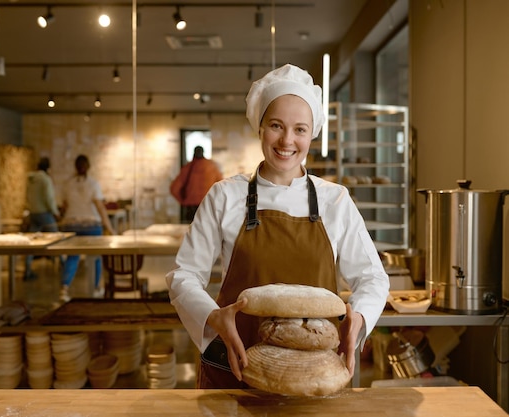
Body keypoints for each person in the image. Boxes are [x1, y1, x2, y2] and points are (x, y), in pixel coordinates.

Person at [165, 64, 390, 389]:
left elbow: (372, 278)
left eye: (300, 129)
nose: (287, 140)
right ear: (260, 127)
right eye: (276, 125)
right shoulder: (225, 196)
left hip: (316, 377)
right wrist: (213, 317)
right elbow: (184, 275)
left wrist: (359, 318)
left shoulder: (335, 201)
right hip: (238, 366)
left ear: (312, 133)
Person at [59, 154, 116, 302]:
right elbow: (100, 208)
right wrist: (110, 228)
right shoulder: (93, 184)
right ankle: (96, 287)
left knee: (72, 257)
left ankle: (64, 289)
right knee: (96, 257)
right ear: (88, 167)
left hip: (70, 224)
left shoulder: (67, 184)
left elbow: (64, 206)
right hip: (91, 225)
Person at [24, 156, 60, 281]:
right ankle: (63, 264)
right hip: (44, 213)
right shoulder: (45, 180)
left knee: (30, 243)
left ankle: (27, 269)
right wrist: (55, 212)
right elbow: (48, 198)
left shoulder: (30, 179)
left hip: (33, 213)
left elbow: (27, 196)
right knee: (57, 237)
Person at [170, 145, 223, 223]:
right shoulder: (212, 166)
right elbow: (221, 187)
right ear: (203, 153)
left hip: (191, 207)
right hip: (208, 205)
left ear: (194, 153)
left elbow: (174, 189)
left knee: (190, 231)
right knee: (208, 231)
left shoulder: (188, 168)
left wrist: (184, 201)